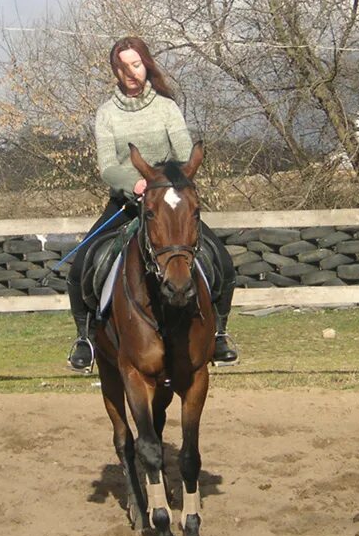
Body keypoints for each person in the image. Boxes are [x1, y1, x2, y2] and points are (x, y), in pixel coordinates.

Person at [66, 36, 238, 372]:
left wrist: (165, 185)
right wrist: (136, 184)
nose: (130, 72)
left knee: (223, 261)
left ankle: (219, 333)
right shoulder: (107, 114)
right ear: (115, 70)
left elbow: (185, 153)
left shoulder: (166, 108)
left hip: (168, 205)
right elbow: (107, 166)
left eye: (135, 64)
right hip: (126, 204)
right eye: (122, 66)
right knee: (81, 264)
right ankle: (84, 338)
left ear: (146, 64)